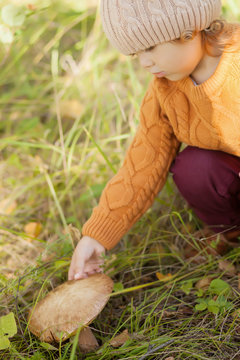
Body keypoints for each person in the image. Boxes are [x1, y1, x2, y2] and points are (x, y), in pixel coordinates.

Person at [68, 0, 240, 281]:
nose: (144, 62)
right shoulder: (164, 90)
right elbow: (143, 164)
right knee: (195, 167)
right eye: (136, 53)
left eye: (150, 48)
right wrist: (96, 236)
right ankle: (229, 231)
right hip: (231, 172)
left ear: (189, 30)